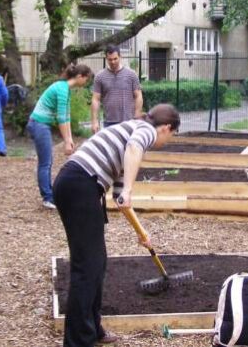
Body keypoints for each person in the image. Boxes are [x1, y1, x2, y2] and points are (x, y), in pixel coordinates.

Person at [53, 104, 180, 347]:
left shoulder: (129, 138)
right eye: (172, 135)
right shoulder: (144, 130)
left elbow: (121, 200)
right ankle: (78, 341)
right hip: (79, 185)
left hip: (80, 186)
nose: (167, 140)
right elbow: (134, 147)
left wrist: (142, 233)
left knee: (96, 263)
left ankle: (92, 329)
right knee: (86, 267)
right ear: (166, 128)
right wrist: (130, 190)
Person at [27, 63, 92, 210]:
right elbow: (61, 118)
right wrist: (66, 141)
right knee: (45, 162)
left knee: (48, 161)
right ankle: (47, 198)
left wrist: (70, 139)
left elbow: (66, 116)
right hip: (38, 124)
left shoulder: (65, 88)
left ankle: (50, 195)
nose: (86, 82)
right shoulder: (62, 89)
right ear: (79, 76)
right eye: (86, 79)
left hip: (42, 124)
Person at [90, 44, 143, 133]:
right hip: (109, 122)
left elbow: (138, 96)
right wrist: (94, 121)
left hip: (128, 121)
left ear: (120, 57)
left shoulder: (131, 74)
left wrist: (137, 114)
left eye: (115, 59)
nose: (113, 62)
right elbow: (96, 99)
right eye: (110, 59)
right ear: (106, 58)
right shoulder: (100, 76)